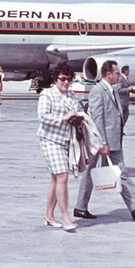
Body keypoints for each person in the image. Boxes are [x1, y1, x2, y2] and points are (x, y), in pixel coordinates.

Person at [74, 60, 135, 221]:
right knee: (90, 172)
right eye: (117, 72)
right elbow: (97, 119)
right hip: (101, 141)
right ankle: (80, 207)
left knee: (121, 171)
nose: (120, 75)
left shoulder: (113, 90)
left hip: (114, 139)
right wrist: (102, 142)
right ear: (108, 74)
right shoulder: (98, 91)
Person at [37, 61, 81, 231]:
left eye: (69, 79)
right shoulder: (47, 94)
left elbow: (77, 112)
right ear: (56, 79)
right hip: (49, 139)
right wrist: (63, 118)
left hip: (66, 140)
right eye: (63, 79)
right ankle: (65, 216)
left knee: (56, 179)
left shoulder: (72, 95)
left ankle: (49, 214)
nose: (66, 82)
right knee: (63, 176)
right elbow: (42, 116)